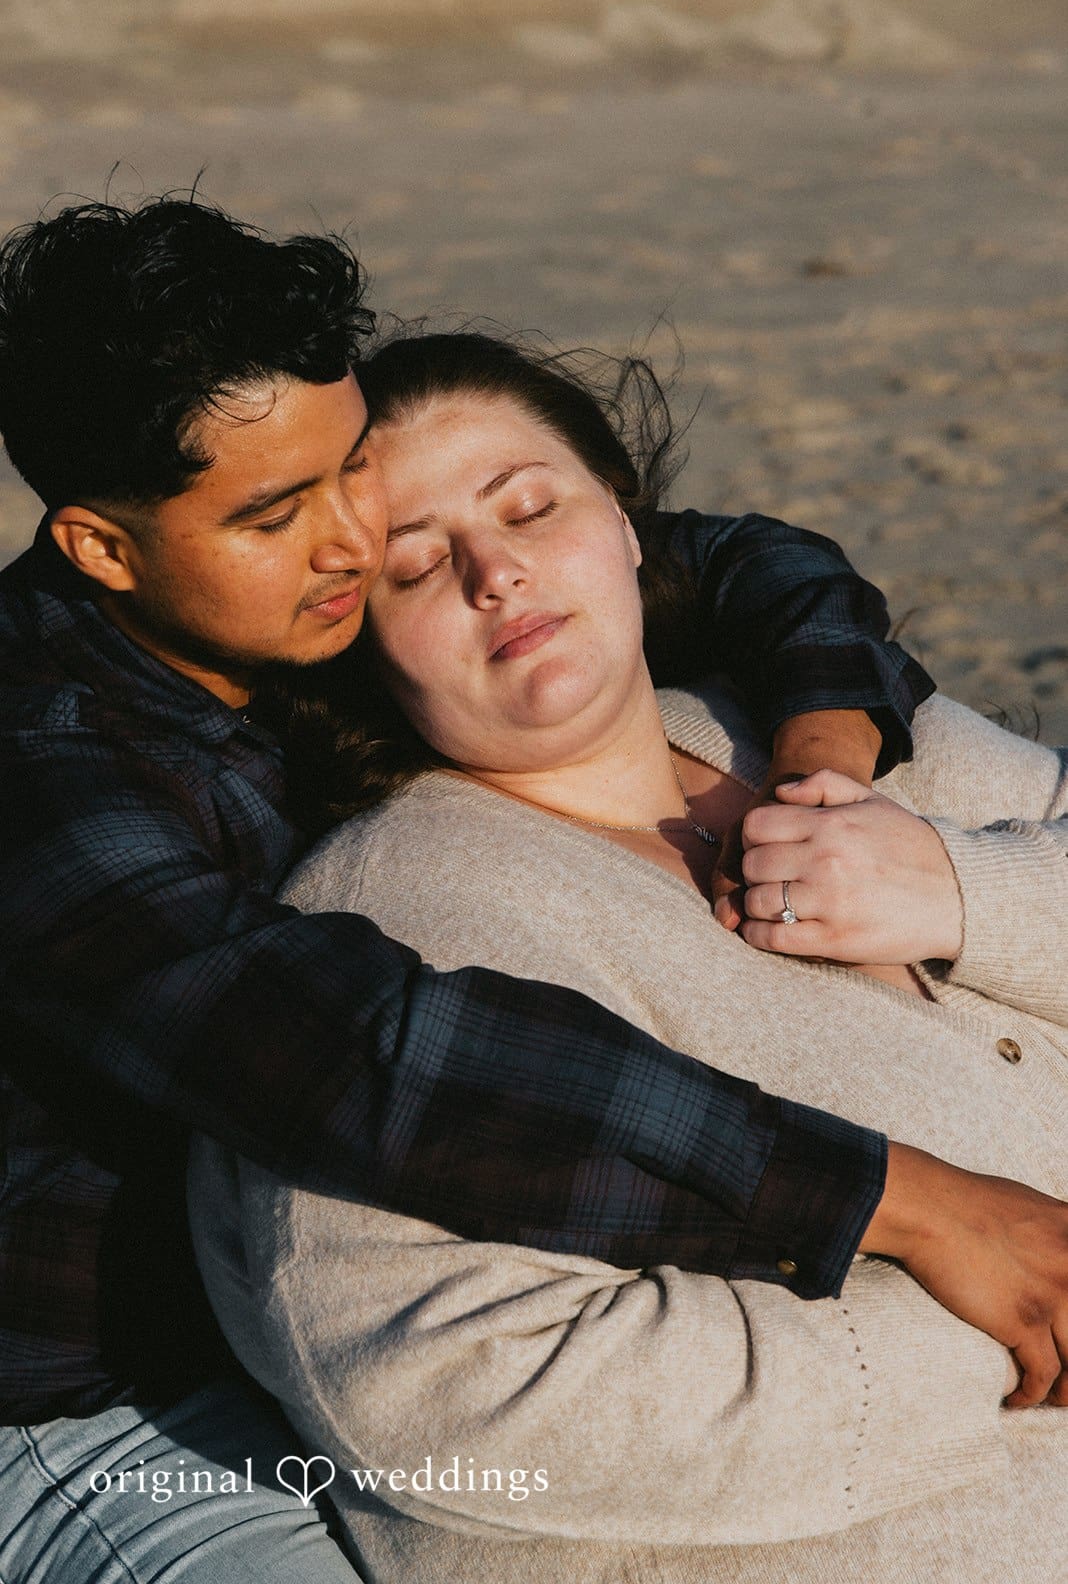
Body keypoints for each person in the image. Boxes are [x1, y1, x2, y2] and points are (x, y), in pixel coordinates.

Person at [0, 197, 935, 1581]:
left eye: (346, 473)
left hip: (330, 1343)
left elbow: (743, 562)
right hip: (103, 1412)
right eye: (274, 512)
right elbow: (367, 1056)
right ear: (102, 548)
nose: (349, 545)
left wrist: (823, 768)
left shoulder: (287, 592)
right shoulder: (46, 776)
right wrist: (897, 1200)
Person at [189, 331, 1068, 1584]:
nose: (496, 570)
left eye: (530, 506)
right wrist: (994, 1336)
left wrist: (964, 891)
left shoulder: (831, 729)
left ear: (628, 521)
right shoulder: (388, 924)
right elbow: (433, 1395)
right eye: (417, 562)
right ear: (353, 631)